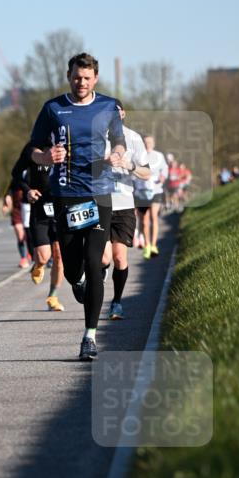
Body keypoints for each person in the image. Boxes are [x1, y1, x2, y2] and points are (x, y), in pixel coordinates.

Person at [29, 52, 125, 360]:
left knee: (94, 259)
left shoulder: (109, 106)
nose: (80, 82)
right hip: (66, 195)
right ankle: (78, 280)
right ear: (68, 76)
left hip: (99, 193)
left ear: (95, 78)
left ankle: (89, 336)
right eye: (75, 77)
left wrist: (118, 154)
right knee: (72, 267)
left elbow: (119, 139)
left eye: (86, 77)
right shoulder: (53, 108)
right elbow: (32, 149)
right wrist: (46, 157)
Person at [100, 100, 150, 320]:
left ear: (123, 114)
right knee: (103, 258)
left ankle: (116, 303)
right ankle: (97, 277)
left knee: (120, 258)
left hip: (124, 205)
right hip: (100, 203)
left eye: (117, 112)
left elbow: (146, 173)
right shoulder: (97, 137)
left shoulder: (133, 138)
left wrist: (128, 165)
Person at [10, 142, 65, 311]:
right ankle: (38, 264)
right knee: (43, 256)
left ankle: (53, 297)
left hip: (60, 208)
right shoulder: (33, 149)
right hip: (39, 208)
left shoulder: (66, 143)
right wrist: (27, 190)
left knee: (59, 256)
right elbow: (16, 173)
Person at [133, 135, 168, 259]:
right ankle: (147, 245)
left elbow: (164, 169)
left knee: (154, 216)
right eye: (146, 142)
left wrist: (163, 176)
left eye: (150, 142)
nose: (148, 144)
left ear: (153, 143)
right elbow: (133, 172)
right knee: (145, 221)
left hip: (156, 190)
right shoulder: (137, 156)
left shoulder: (159, 156)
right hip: (141, 191)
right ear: (143, 143)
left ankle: (154, 245)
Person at [2, 181, 32, 268]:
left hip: (30, 209)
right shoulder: (16, 178)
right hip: (17, 210)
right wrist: (5, 203)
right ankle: (23, 258)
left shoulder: (33, 174)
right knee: (20, 235)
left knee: (28, 234)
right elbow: (8, 192)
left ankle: (31, 251)